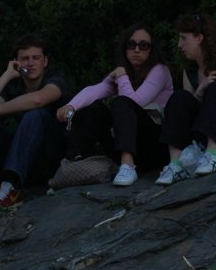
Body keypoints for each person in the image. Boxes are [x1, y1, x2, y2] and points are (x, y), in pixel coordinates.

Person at [56, 23, 173, 186]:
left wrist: (122, 77)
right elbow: (97, 89)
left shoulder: (160, 70)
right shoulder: (125, 72)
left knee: (121, 103)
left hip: (153, 145)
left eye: (144, 45)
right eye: (131, 45)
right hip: (128, 144)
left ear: (152, 50)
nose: (137, 50)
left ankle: (127, 166)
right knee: (92, 108)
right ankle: (79, 158)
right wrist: (71, 106)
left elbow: (135, 103)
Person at [0, 35, 68, 207]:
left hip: (50, 154)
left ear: (45, 61)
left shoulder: (55, 78)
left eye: (36, 58)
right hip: (22, 155)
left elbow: (39, 99)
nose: (30, 63)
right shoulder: (14, 86)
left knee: (35, 114)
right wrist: (7, 75)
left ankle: (11, 184)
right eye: (25, 59)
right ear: (16, 62)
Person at [155, 13, 216, 185]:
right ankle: (176, 163)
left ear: (199, 38)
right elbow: (189, 110)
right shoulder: (189, 71)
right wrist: (200, 90)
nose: (179, 45)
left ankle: (213, 156)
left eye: (184, 38)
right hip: (202, 137)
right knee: (179, 97)